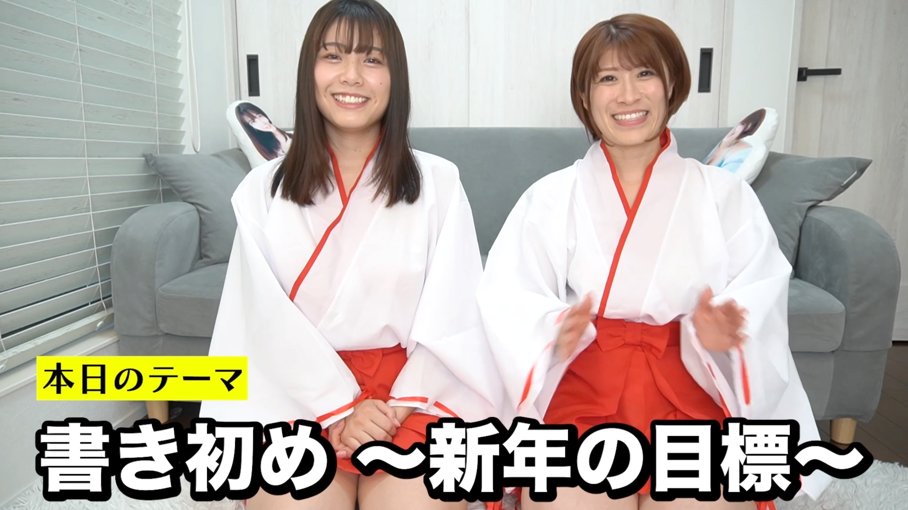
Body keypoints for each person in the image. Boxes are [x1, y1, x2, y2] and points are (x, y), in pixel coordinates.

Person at [477, 14, 828, 510]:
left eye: (644, 74)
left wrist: (727, 332)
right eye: (608, 78)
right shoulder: (551, 196)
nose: (627, 95)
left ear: (671, 86)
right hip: (583, 385)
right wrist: (550, 329)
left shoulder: (724, 195)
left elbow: (759, 290)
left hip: (692, 381)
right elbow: (507, 296)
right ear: (585, 97)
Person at [202, 1, 503, 508]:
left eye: (372, 59)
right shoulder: (260, 190)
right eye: (333, 56)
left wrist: (391, 409)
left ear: (394, 77)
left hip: (411, 395)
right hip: (295, 393)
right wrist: (340, 407)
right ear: (309, 71)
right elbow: (260, 320)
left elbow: (455, 316)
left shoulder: (439, 182)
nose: (351, 76)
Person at [705, 108, 766, 173]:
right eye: (741, 124)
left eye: (743, 124)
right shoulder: (720, 143)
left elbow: (723, 175)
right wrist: (723, 145)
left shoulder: (743, 153)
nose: (737, 127)